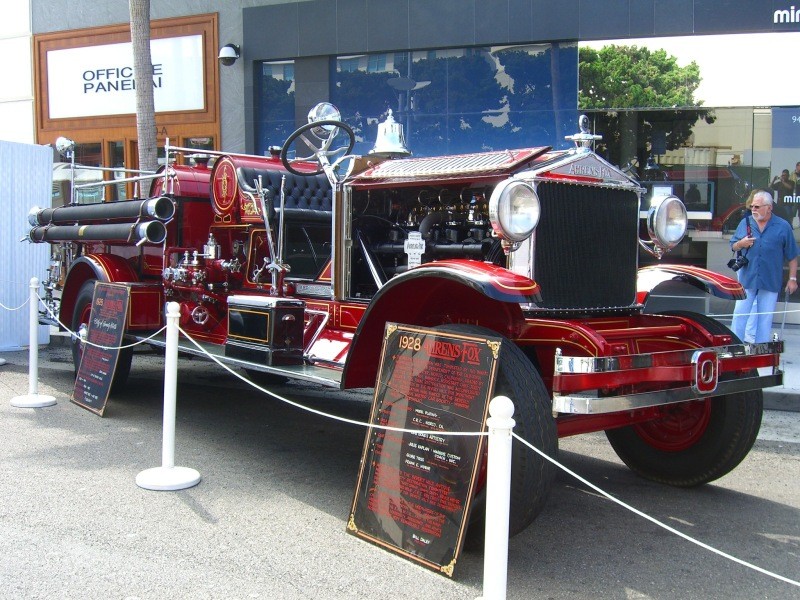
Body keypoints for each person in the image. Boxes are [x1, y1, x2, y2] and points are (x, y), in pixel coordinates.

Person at [730, 190, 798, 343]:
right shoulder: (745, 223)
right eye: (752, 206)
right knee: (740, 314)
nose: (753, 209)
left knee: (765, 318)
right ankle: (735, 347)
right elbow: (733, 246)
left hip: (770, 279)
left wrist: (792, 278)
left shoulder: (783, 226)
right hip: (747, 277)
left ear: (769, 207)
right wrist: (741, 244)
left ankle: (760, 351)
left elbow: (792, 256)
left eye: (757, 207)